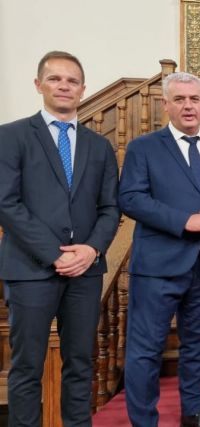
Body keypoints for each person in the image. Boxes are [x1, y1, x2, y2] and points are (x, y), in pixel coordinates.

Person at [0, 50, 120, 427]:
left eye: (72, 80)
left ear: (83, 89)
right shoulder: (11, 136)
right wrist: (54, 254)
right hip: (30, 269)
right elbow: (6, 203)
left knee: (81, 363)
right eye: (55, 79)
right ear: (39, 85)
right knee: (27, 366)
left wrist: (91, 249)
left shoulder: (99, 146)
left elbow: (111, 208)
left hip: (85, 271)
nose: (64, 86)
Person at [119, 71, 200, 427]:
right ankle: (144, 421)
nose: (188, 106)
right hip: (159, 265)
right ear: (166, 105)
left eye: (194, 99)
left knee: (197, 346)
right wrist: (184, 220)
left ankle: (194, 413)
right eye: (179, 99)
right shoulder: (144, 147)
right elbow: (130, 198)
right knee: (145, 351)